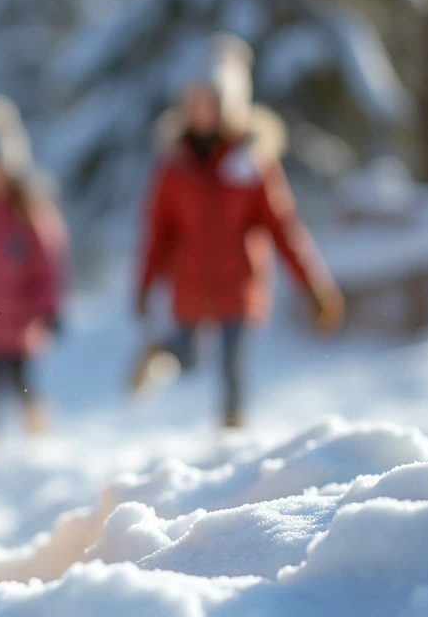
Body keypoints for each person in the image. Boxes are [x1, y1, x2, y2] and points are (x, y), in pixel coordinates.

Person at [131, 34, 344, 429]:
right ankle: (157, 354)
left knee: (233, 361)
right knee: (187, 357)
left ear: (227, 105)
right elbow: (156, 232)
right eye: (191, 102)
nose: (199, 111)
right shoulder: (173, 168)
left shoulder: (252, 161)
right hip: (190, 280)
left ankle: (232, 428)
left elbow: (284, 229)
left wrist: (312, 285)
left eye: (208, 101)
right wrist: (143, 285)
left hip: (239, 283)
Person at [0, 94, 67, 439]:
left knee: (22, 383)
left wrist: (48, 306)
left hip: (20, 323)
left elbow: (49, 262)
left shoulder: (28, 212)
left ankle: (36, 432)